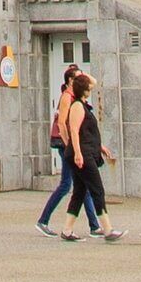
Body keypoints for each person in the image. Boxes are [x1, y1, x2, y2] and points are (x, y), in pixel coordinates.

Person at [69, 72, 123, 243]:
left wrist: (100, 147)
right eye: (87, 87)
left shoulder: (84, 105)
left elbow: (87, 133)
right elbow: (74, 131)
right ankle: (107, 229)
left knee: (79, 192)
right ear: (83, 90)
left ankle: (67, 229)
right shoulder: (77, 106)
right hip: (82, 155)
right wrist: (78, 153)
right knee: (97, 189)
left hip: (88, 151)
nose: (90, 89)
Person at [38, 66, 88, 239]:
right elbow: (61, 124)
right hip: (64, 144)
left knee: (80, 184)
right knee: (68, 184)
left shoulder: (74, 96)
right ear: (70, 81)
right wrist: (70, 147)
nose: (82, 80)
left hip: (68, 144)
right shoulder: (67, 97)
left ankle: (96, 225)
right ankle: (43, 221)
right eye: (78, 78)